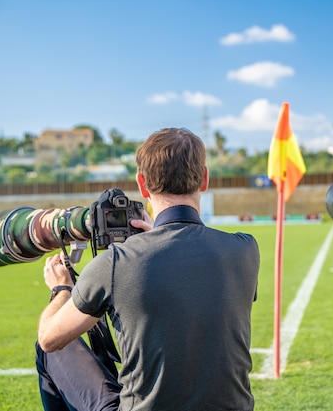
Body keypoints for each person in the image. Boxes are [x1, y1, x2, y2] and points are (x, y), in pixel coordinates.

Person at [35, 127, 260, 410]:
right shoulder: (245, 250)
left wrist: (61, 288)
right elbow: (188, 280)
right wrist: (160, 236)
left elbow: (50, 338)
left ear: (142, 185)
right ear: (204, 179)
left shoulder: (115, 263)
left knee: (50, 348)